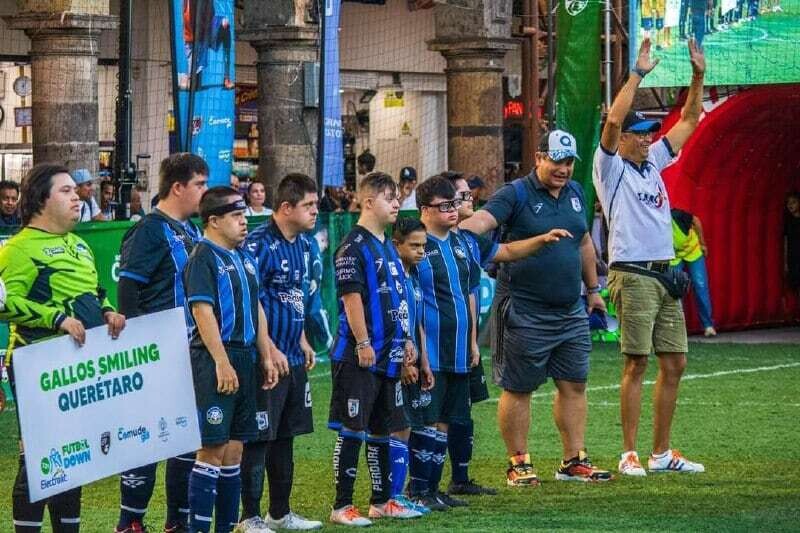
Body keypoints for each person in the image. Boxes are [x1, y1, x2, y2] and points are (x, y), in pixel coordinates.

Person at [460, 129, 613, 487]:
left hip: (570, 311)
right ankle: (518, 463)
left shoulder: (576, 192)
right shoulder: (515, 194)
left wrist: (593, 290)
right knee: (518, 387)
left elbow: (584, 241)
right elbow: (483, 221)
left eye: (569, 161)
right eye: (557, 160)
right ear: (539, 157)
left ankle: (574, 460)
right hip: (523, 309)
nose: (563, 168)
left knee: (575, 383)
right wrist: (453, 230)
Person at [592, 37, 706, 476]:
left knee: (675, 361)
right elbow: (614, 117)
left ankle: (661, 453)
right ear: (622, 140)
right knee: (636, 361)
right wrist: (637, 74)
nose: (647, 140)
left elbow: (692, 119)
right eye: (640, 135)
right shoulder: (611, 168)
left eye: (648, 135)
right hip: (633, 273)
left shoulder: (653, 162)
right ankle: (628, 453)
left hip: (665, 274)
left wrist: (698, 76)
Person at [0, 163, 126, 533]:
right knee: (39, 458)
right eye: (67, 191)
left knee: (75, 456)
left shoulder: (80, 246)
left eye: (76, 191)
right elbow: (4, 304)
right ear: (41, 199)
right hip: (36, 364)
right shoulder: (18, 249)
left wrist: (107, 311)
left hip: (81, 366)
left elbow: (93, 293)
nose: (77, 197)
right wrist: (55, 319)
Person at [115, 153, 209, 533]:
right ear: (178, 187)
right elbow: (128, 285)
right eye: (200, 184)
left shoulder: (193, 231)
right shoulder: (151, 229)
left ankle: (178, 521)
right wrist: (138, 347)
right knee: (148, 436)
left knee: (185, 435)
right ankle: (130, 522)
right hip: (156, 352)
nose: (205, 192)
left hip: (189, 350)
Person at [183, 187, 282, 533]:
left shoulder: (244, 258)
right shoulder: (202, 258)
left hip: (246, 357)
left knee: (236, 449)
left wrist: (266, 355)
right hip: (215, 358)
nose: (245, 222)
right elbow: (201, 310)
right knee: (212, 448)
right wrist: (221, 362)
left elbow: (257, 308)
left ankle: (226, 527)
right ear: (213, 221)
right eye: (237, 217)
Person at [328, 172, 422, 526]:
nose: (396, 203)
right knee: (353, 428)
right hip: (359, 355)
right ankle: (341, 507)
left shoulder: (386, 245)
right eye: (388, 197)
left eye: (397, 197)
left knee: (383, 427)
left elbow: (399, 298)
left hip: (390, 355)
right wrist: (363, 342)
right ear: (368, 202)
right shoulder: (353, 246)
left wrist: (408, 338)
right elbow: (351, 297)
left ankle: (382, 501)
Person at [238, 174, 322, 531]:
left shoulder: (304, 245)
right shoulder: (259, 245)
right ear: (286, 208)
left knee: (286, 435)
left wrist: (301, 338)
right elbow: (251, 300)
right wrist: (269, 348)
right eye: (309, 205)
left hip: (292, 354)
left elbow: (295, 296)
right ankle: (249, 517)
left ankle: (280, 513)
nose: (316, 211)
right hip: (266, 359)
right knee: (260, 437)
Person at [388, 217, 433, 515]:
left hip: (414, 362)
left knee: (405, 427)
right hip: (394, 364)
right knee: (396, 427)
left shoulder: (412, 276)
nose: (420, 251)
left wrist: (425, 363)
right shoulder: (391, 278)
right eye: (414, 245)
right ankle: (389, 496)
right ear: (396, 245)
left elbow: (416, 322)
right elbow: (393, 321)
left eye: (424, 246)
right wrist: (402, 363)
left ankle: (398, 496)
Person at [671, 208, 716, 336]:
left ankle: (708, 325)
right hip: (675, 256)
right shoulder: (654, 224)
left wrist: (703, 243)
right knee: (674, 289)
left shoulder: (676, 215)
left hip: (693, 251)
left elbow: (696, 220)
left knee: (700, 285)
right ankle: (678, 329)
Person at [785, 192, 800, 305]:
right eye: (788, 203)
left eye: (793, 202)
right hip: (793, 257)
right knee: (796, 284)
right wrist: (785, 261)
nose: (790, 205)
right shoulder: (788, 221)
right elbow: (786, 241)